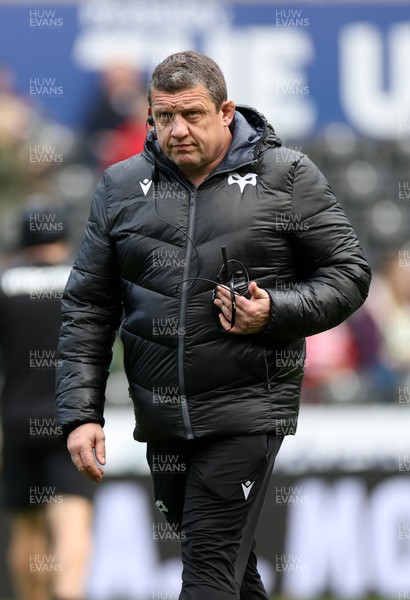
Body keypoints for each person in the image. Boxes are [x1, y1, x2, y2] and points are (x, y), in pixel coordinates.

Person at [55, 51, 372, 600]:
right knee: (231, 572)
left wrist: (274, 310)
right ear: (149, 116)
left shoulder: (288, 175)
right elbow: (88, 306)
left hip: (247, 411)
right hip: (163, 421)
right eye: (163, 116)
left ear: (226, 111)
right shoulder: (119, 187)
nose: (176, 130)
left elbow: (349, 274)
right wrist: (80, 414)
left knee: (205, 573)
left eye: (192, 115)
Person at [0, 204, 94, 600]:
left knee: (26, 527)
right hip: (72, 420)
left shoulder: (5, 284)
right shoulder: (81, 280)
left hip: (17, 422)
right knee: (71, 520)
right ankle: (67, 594)